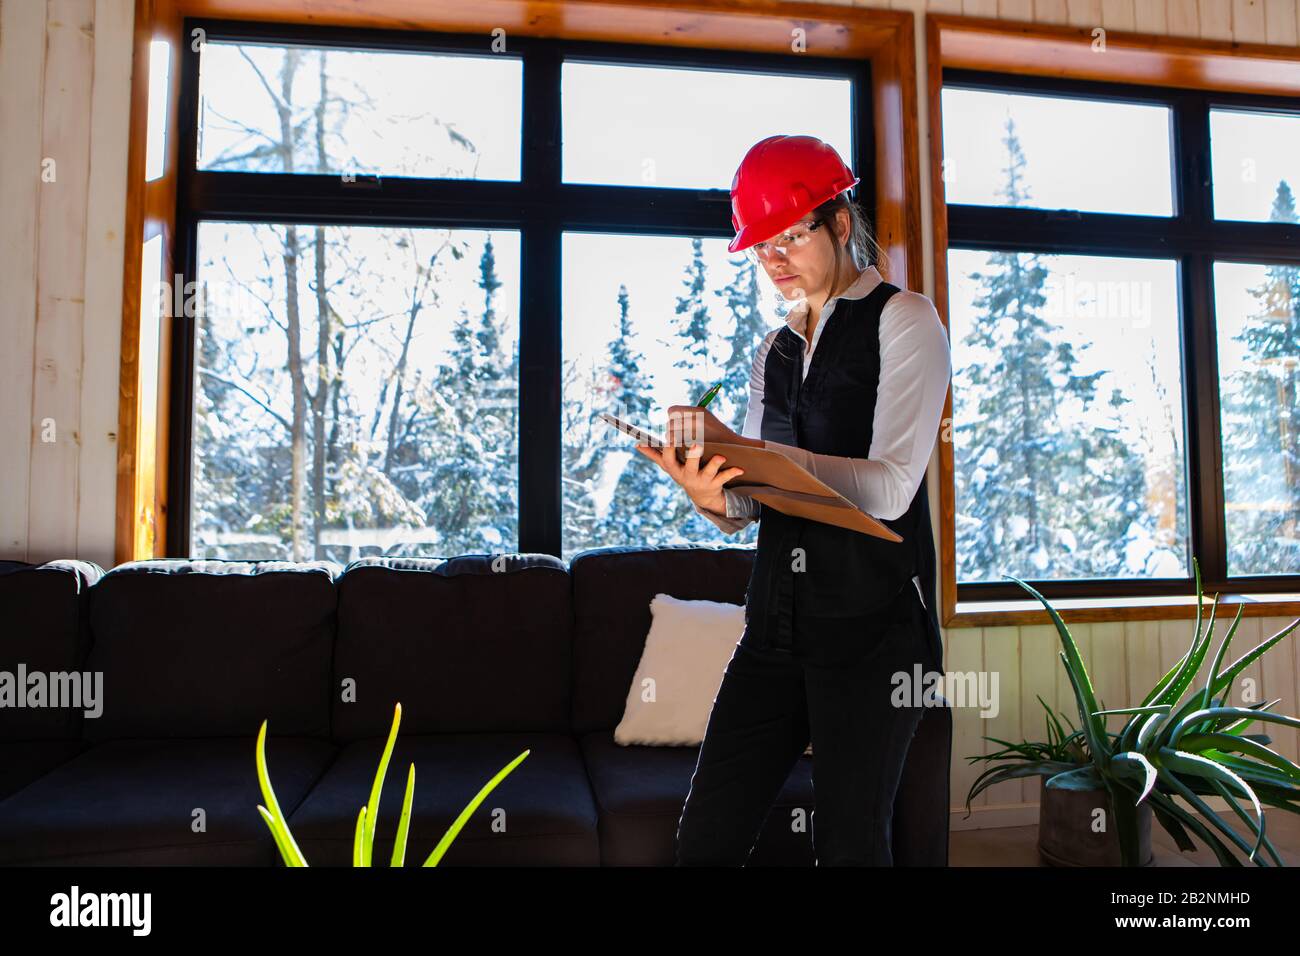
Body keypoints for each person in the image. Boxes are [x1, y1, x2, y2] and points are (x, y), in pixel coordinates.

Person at [634, 133, 952, 866]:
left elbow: (893, 485)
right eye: (760, 247)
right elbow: (754, 506)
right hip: (776, 628)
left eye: (790, 238)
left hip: (875, 636)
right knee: (706, 837)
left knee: (849, 845)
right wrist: (712, 493)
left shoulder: (906, 322)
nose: (774, 261)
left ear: (841, 224)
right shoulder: (773, 354)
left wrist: (766, 459)